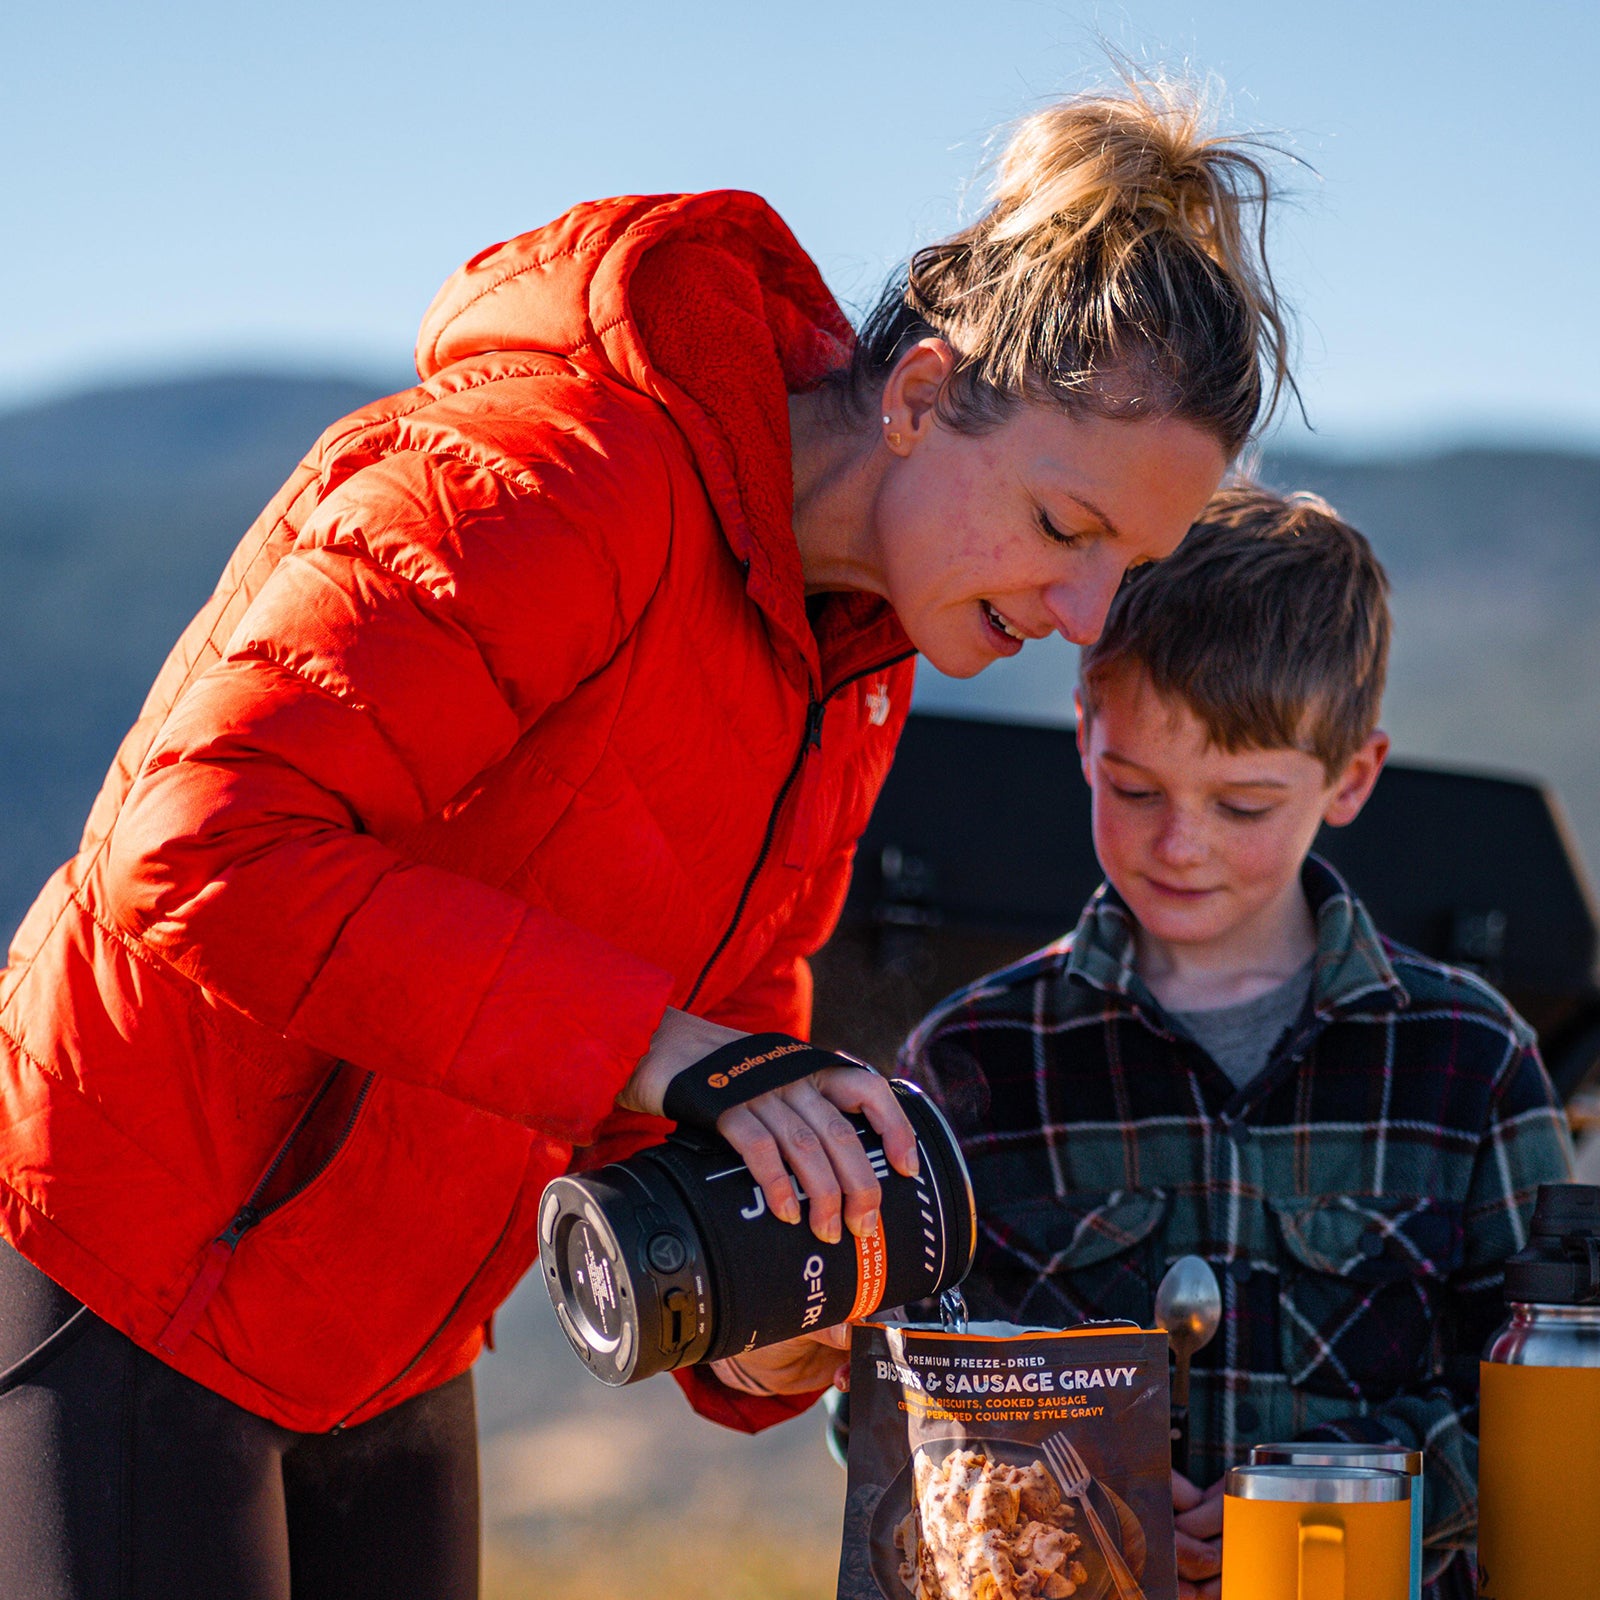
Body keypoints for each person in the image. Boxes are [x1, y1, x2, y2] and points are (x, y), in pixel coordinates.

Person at [0, 81, 1288, 1598]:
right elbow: (199, 848)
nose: (1082, 615)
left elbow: (709, 1044)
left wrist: (771, 1326)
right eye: (1066, 529)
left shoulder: (856, 664)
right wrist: (666, 1050)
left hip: (397, 1325)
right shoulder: (552, 474)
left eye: (1126, 568)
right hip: (130, 1259)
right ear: (920, 395)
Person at [901, 486, 1575, 1600]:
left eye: (1244, 806)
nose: (1181, 844)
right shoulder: (975, 1056)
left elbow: (1542, 1406)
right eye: (1135, 787)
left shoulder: (1470, 1057)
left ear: (1351, 777)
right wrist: (1070, 1491)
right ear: (1083, 734)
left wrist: (1327, 1493)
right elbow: (887, 1403)